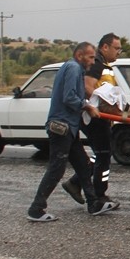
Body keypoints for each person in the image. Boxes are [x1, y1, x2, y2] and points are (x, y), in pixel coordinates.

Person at [27, 42, 102, 222]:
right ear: (79, 55)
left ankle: (93, 203)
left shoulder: (74, 68)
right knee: (56, 168)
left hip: (70, 126)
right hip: (62, 127)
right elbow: (69, 97)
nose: (93, 61)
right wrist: (87, 107)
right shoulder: (73, 68)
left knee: (83, 165)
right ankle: (36, 209)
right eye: (91, 57)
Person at [62, 32, 129, 215]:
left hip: (101, 118)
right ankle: (100, 195)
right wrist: (98, 108)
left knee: (100, 155)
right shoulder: (97, 65)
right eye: (116, 48)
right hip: (95, 118)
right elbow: (88, 88)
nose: (119, 52)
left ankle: (75, 183)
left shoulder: (105, 66)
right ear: (105, 47)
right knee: (104, 156)